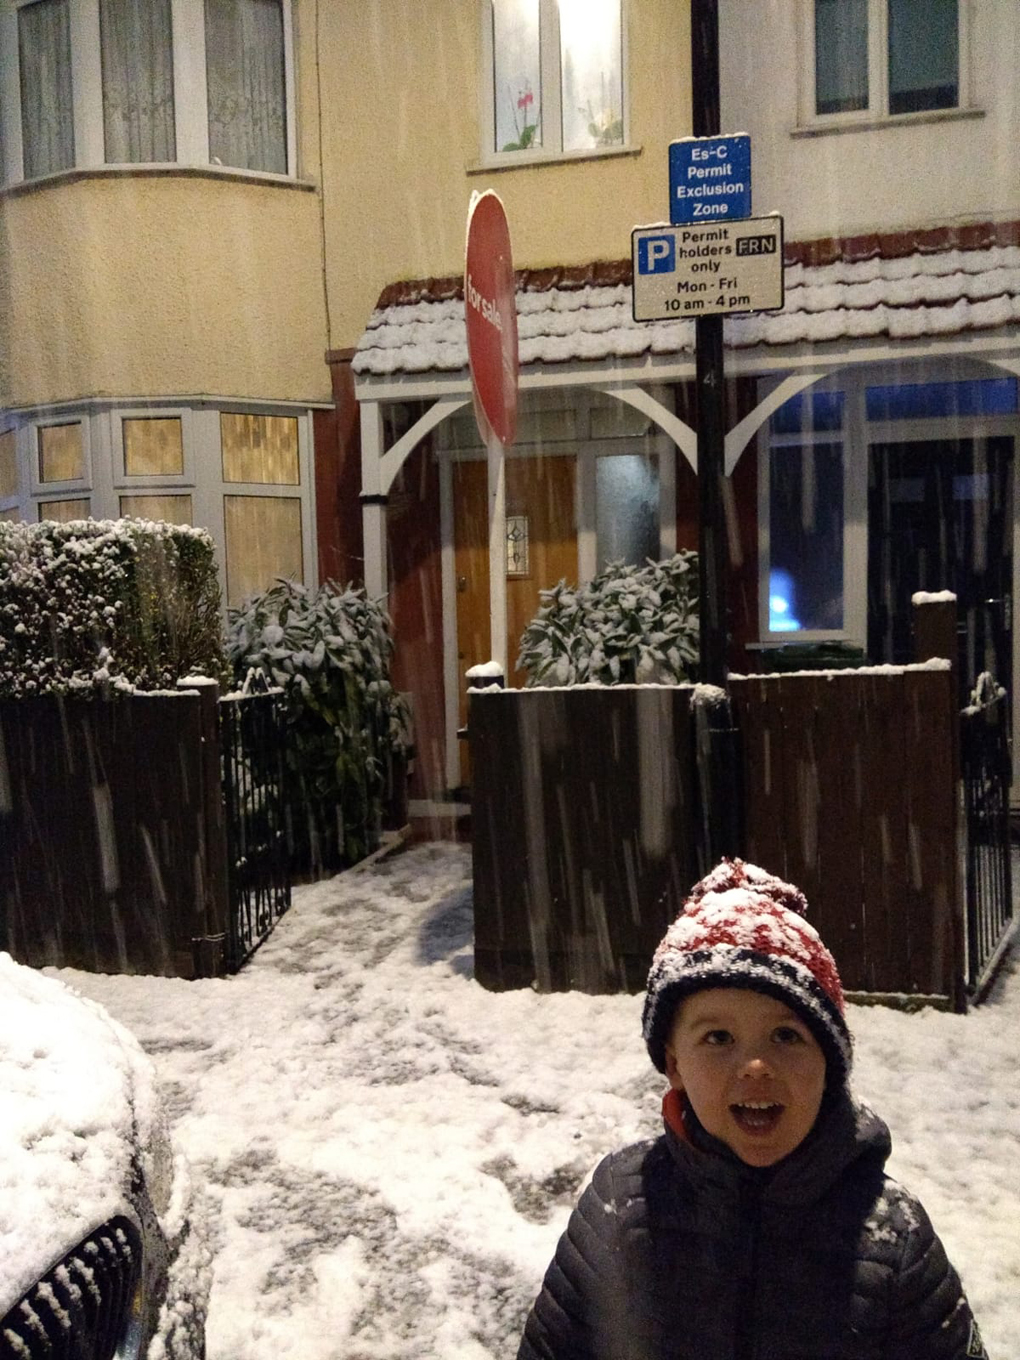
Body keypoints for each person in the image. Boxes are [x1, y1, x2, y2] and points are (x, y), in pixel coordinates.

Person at [517, 858, 989, 1359]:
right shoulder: (618, 1207)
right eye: (718, 1037)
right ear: (674, 1065)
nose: (756, 1065)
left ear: (829, 1065)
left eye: (786, 1035)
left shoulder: (893, 1236)